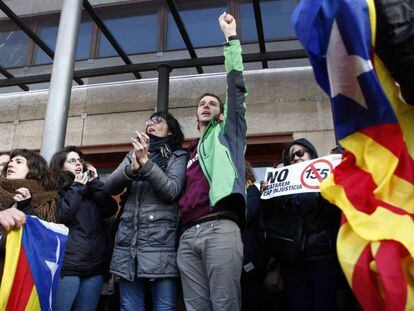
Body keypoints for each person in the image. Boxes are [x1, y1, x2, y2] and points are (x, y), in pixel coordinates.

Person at [177, 12, 247, 311]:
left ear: (221, 112)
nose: (206, 106)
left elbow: (235, 88)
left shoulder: (227, 133)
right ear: (196, 114)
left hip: (219, 227)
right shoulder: (187, 152)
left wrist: (231, 39)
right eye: (201, 103)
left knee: (225, 305)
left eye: (212, 103)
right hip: (187, 235)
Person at [104, 111, 187, 311]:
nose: (151, 123)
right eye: (149, 120)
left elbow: (171, 190)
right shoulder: (131, 154)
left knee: (165, 308)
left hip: (162, 245)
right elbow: (108, 187)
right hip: (128, 246)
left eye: (158, 121)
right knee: (129, 308)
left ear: (170, 131)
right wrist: (131, 169)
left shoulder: (178, 155)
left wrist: (146, 163)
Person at [262, 138, 341, 311]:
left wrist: (328, 190)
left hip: (322, 256)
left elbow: (334, 215)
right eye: (291, 157)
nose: (296, 158)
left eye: (300, 153)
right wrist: (268, 198)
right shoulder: (281, 191)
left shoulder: (326, 182)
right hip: (292, 262)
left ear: (311, 154)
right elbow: (271, 222)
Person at [50, 146, 117, 311]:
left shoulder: (92, 190)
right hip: (68, 266)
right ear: (60, 166)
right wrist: (77, 187)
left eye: (80, 160)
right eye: (72, 161)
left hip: (95, 266)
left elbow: (110, 209)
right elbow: (62, 216)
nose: (78, 164)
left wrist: (95, 183)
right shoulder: (55, 190)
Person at [0, 148, 58, 279]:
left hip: (24, 275)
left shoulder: (48, 201)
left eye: (18, 162)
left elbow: (42, 239)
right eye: (11, 161)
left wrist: (26, 207)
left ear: (33, 169)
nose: (10, 164)